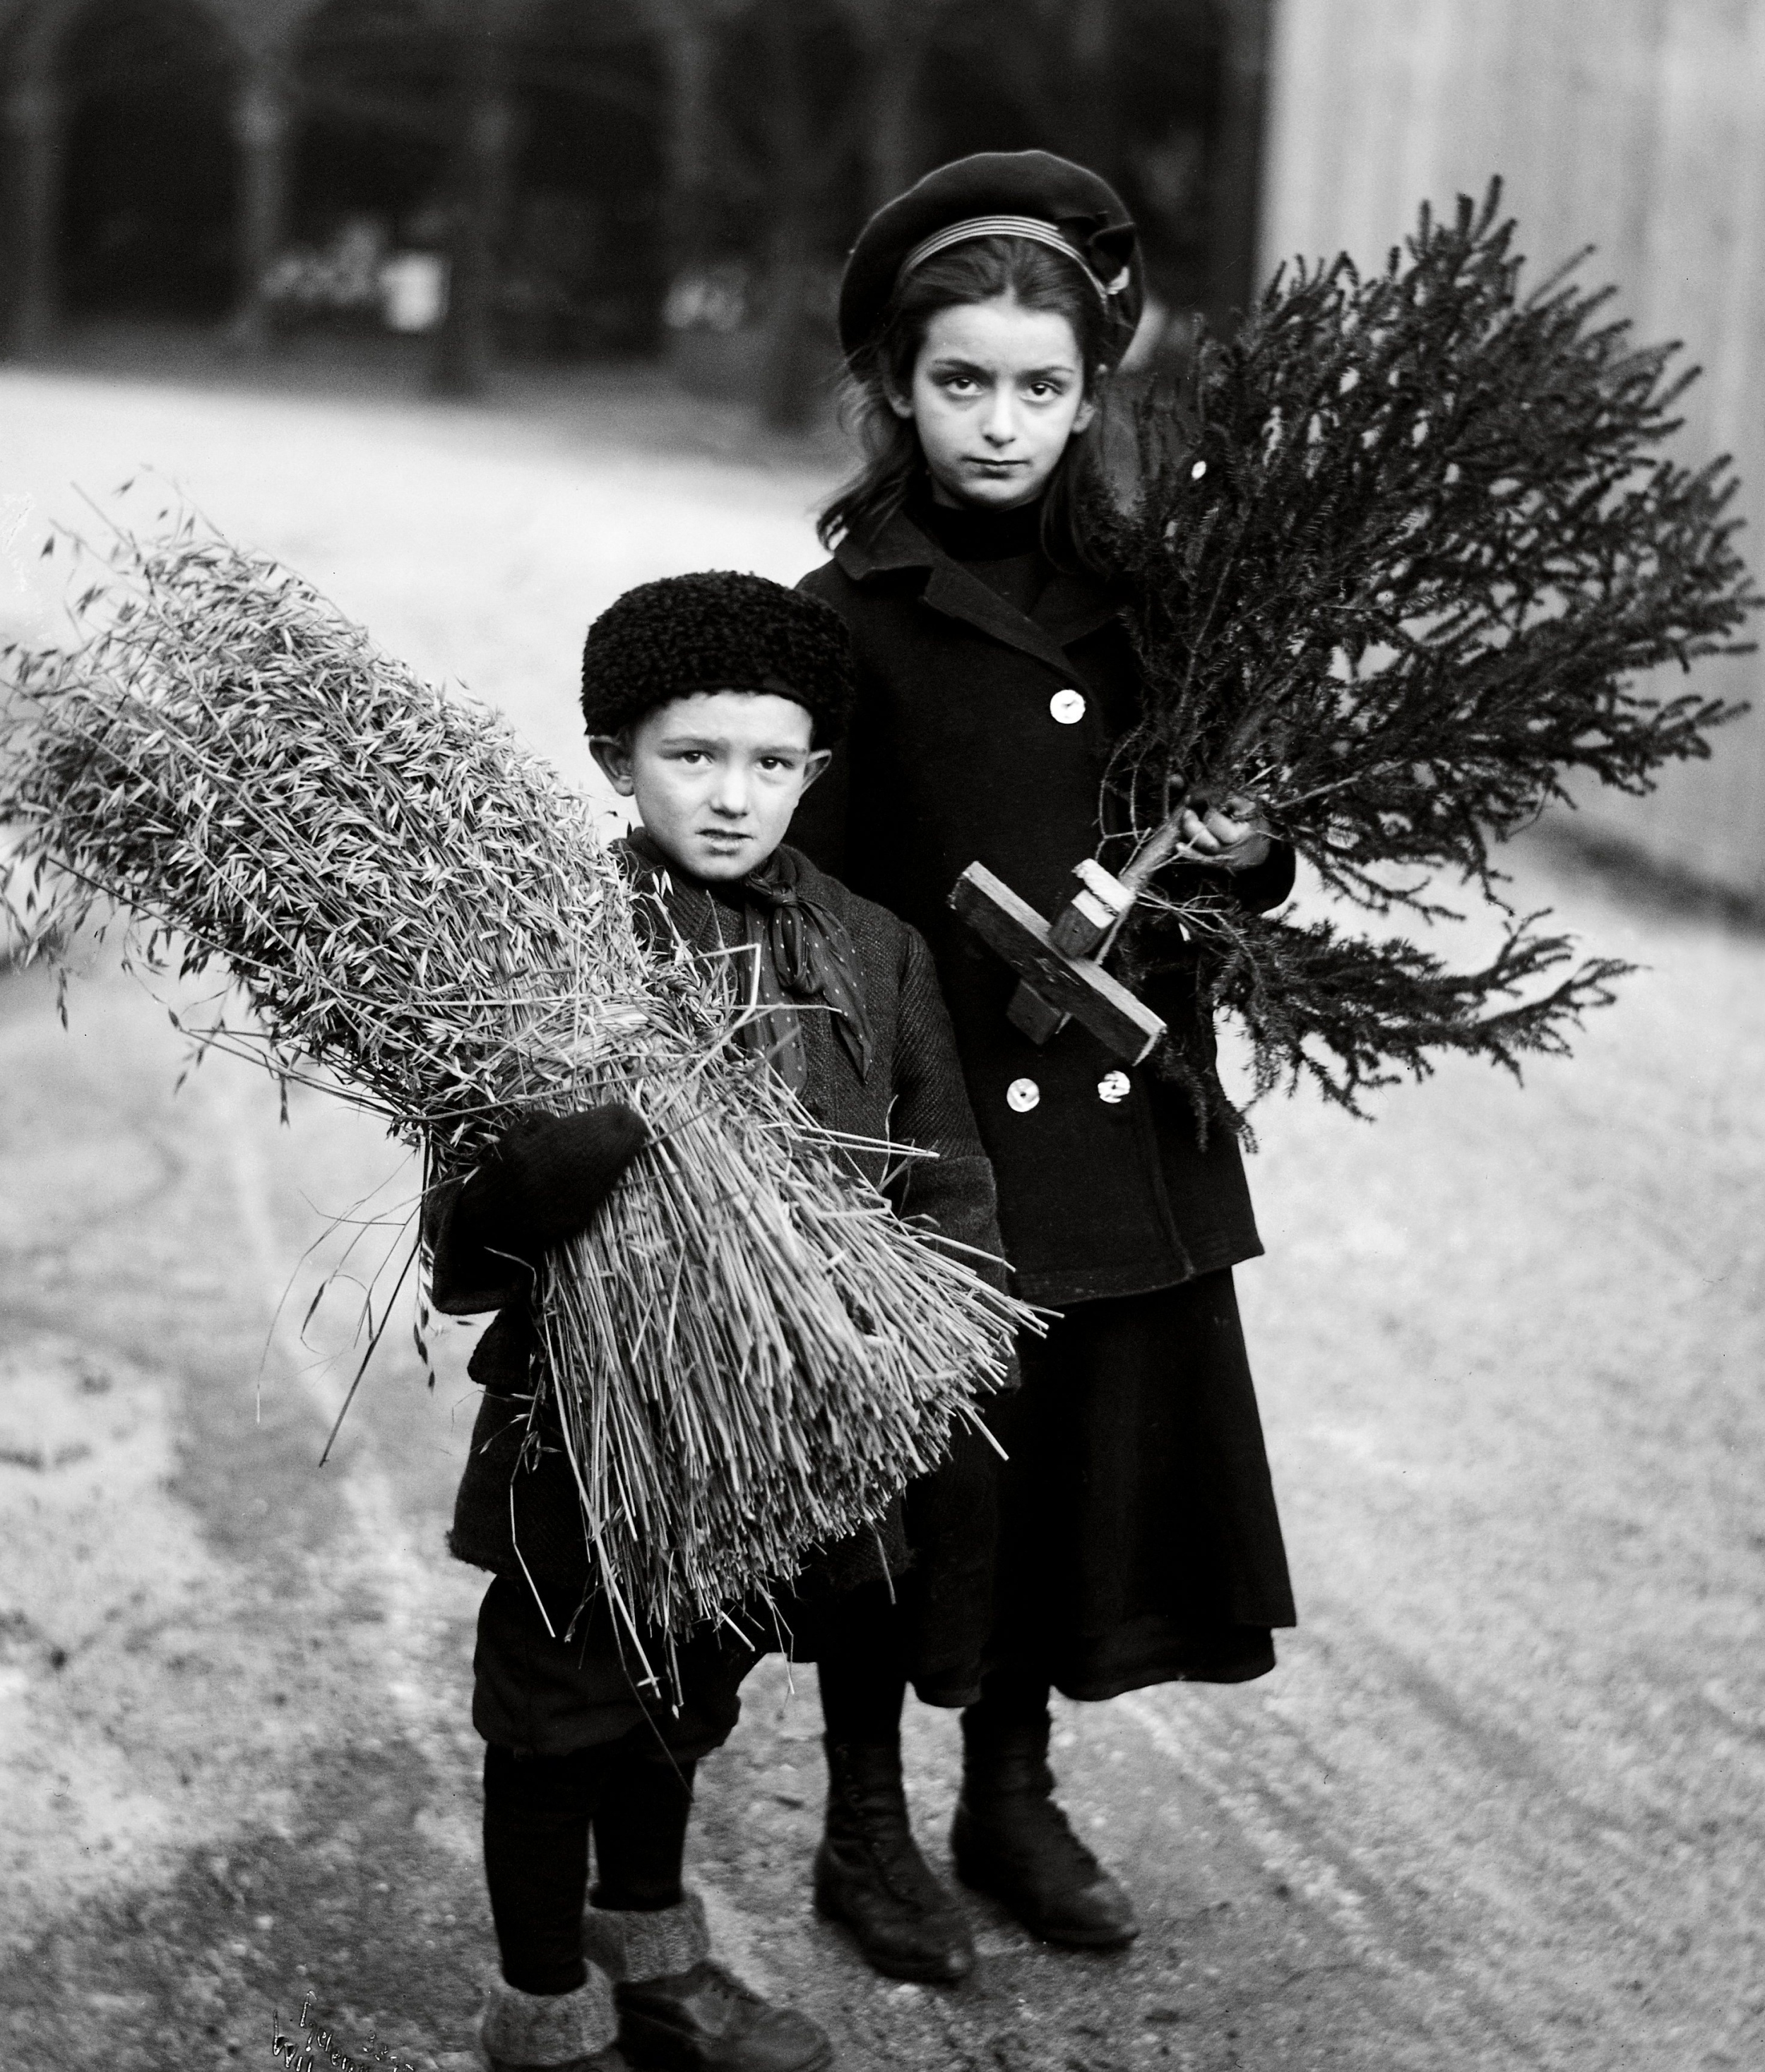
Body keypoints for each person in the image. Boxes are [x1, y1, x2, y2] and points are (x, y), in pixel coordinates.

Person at [789, 150, 1298, 1960]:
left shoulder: (1160, 611)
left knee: (1056, 1462)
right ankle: (865, 1831)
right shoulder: (842, 624)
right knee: (898, 1477)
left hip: (1100, 1129)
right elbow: (790, 889)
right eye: (958, 382)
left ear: (1091, 400)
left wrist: (1247, 845)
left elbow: (1239, 840)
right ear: (895, 389)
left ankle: (1011, 1799)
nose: (996, 424)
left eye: (1038, 387)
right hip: (918, 1136)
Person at [430, 572, 1009, 2072]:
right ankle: (544, 2011)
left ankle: (661, 1963)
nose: (736, 795)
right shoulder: (539, 948)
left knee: (684, 1700)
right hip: (589, 1423)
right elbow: (461, 1238)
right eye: (694, 757)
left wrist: (918, 1349)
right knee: (557, 1711)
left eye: (773, 762)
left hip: (783, 1431)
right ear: (615, 754)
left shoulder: (874, 950)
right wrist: (553, 1166)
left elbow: (945, 1174)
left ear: (816, 770)